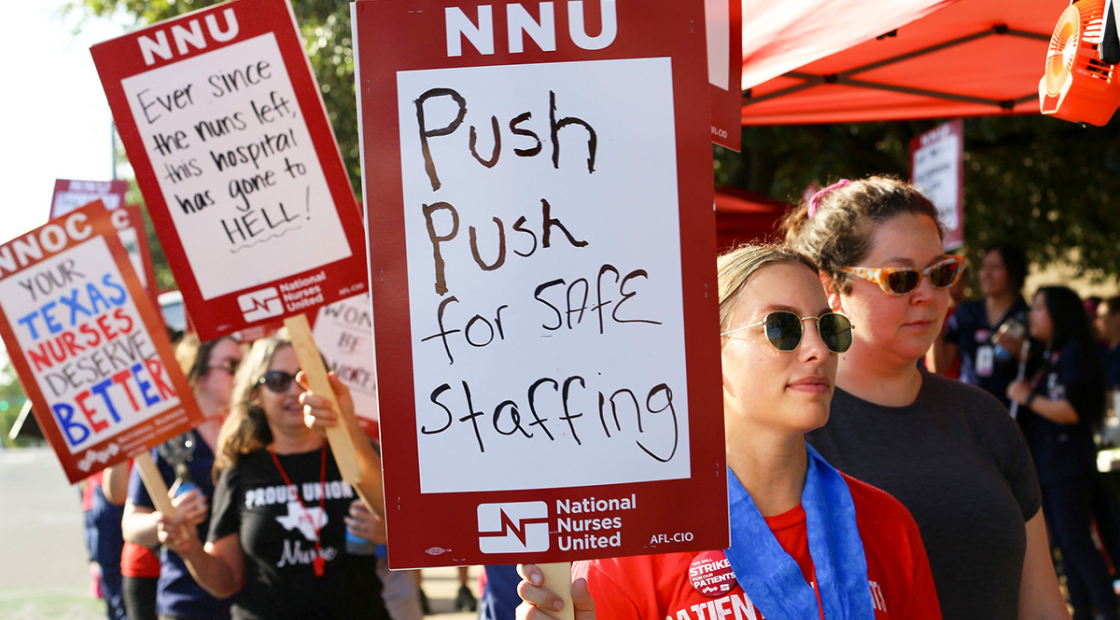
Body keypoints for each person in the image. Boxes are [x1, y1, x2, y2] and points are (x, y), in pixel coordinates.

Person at [517, 243, 942, 620]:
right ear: (705, 351)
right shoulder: (635, 545)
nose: (818, 350)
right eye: (781, 327)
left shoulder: (887, 524)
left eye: (829, 327)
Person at [782, 176, 1067, 620]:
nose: (927, 295)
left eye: (941, 273)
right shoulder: (796, 430)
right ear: (831, 288)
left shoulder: (984, 418)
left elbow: (1044, 605)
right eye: (901, 278)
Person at [159, 331, 390, 620]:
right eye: (278, 381)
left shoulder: (359, 455)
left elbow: (413, 527)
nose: (295, 392)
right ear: (256, 394)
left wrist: (390, 535)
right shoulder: (239, 470)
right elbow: (225, 583)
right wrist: (190, 549)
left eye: (306, 379)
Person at [1008, 286, 1117, 620]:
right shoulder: (1049, 355)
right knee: (1064, 546)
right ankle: (1082, 611)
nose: (1032, 315)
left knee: (1076, 542)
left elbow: (1071, 411)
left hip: (1069, 464)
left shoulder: (1074, 354)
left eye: (1040, 308)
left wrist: (1027, 397)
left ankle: (1109, 609)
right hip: (1049, 465)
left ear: (1059, 313)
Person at [123, 335, 243, 620]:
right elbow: (131, 525)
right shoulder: (169, 441)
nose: (242, 374)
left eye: (246, 364)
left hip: (252, 600)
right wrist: (166, 518)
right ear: (198, 376)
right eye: (231, 366)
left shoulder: (252, 437)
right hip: (188, 601)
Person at [931, 243, 1029, 406]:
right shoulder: (966, 312)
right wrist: (934, 317)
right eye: (983, 267)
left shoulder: (1028, 317)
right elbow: (940, 367)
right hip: (966, 408)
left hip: (1010, 412)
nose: (986, 274)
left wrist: (1021, 354)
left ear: (1013, 273)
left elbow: (1041, 371)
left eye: (995, 268)